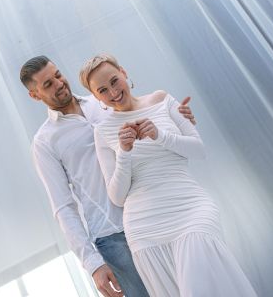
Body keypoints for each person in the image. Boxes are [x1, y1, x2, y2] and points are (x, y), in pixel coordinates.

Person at [79, 53, 258, 297]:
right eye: (102, 90)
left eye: (114, 81)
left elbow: (199, 149)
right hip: (144, 226)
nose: (112, 92)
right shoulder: (103, 131)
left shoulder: (161, 99)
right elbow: (117, 197)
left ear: (123, 72)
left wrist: (160, 136)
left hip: (190, 207)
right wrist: (124, 152)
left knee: (201, 281)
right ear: (96, 97)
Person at [20, 55, 196, 297]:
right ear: (35, 95)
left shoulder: (104, 99)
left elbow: (149, 120)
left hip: (155, 210)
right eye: (48, 84)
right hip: (113, 235)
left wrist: (180, 121)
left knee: (192, 287)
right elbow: (63, 207)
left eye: (58, 75)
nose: (59, 84)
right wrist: (93, 264)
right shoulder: (44, 142)